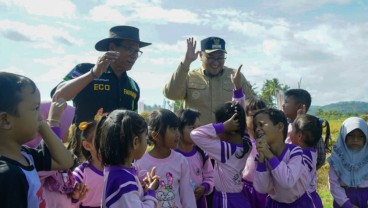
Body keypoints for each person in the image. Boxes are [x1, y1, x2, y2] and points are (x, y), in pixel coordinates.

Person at [0, 72, 74, 207]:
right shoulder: (8, 175)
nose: (41, 116)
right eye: (35, 108)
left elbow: (65, 161)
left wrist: (42, 124)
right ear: (5, 120)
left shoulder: (26, 155)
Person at [51, 25, 151, 125]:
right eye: (130, 49)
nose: (134, 56)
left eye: (137, 51)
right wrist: (93, 73)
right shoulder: (84, 69)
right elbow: (57, 95)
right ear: (112, 48)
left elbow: (132, 121)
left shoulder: (133, 86)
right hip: (86, 140)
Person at [163, 37, 255, 125]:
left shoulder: (235, 76)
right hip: (196, 139)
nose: (216, 62)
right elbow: (170, 94)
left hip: (228, 138)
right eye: (210, 57)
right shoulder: (189, 76)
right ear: (200, 55)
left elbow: (251, 105)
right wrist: (186, 62)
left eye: (220, 57)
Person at [190, 98, 252, 207]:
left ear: (230, 128)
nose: (217, 133)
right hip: (239, 198)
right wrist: (237, 94)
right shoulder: (247, 144)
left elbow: (195, 134)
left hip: (225, 200)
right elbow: (242, 123)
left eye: (218, 124)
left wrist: (222, 127)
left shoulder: (225, 150)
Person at [96, 110, 159, 207]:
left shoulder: (116, 172)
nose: (147, 143)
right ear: (135, 142)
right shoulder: (124, 180)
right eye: (145, 138)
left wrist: (140, 189)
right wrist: (150, 192)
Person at [135, 109, 196, 208]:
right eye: (172, 129)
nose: (178, 134)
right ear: (155, 135)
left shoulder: (181, 161)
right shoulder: (140, 163)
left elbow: (187, 196)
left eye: (177, 129)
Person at [253, 108, 314, 207]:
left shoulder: (295, 151)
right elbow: (262, 188)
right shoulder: (260, 157)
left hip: (299, 204)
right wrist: (261, 160)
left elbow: (288, 182)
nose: (257, 129)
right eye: (256, 126)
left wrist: (269, 155)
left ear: (280, 126)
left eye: (261, 124)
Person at [175, 108, 215, 208]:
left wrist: (204, 187)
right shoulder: (172, 155)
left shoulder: (202, 153)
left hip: (199, 202)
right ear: (179, 129)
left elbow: (210, 177)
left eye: (199, 127)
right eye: (192, 128)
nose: (197, 132)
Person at [283, 89, 331, 169]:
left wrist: (307, 170)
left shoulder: (311, 127)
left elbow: (320, 158)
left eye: (286, 102)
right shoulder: (284, 124)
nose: (283, 105)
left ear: (299, 107)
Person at [328, 117, 368, 208]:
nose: (355, 139)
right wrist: (346, 204)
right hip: (342, 200)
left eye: (360, 136)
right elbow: (333, 183)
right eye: (351, 135)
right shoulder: (336, 158)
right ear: (343, 135)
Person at [289, 114, 323, 208]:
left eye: (292, 130)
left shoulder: (302, 156)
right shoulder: (310, 151)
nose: (289, 132)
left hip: (304, 201)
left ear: (299, 136)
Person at [242, 97, 268, 208]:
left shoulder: (270, 139)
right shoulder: (242, 139)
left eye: (261, 115)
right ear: (245, 117)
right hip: (246, 188)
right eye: (252, 115)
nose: (257, 119)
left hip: (266, 189)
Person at [72, 121, 104, 207]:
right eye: (101, 139)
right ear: (87, 145)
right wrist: (76, 198)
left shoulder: (115, 169)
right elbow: (69, 201)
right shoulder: (80, 173)